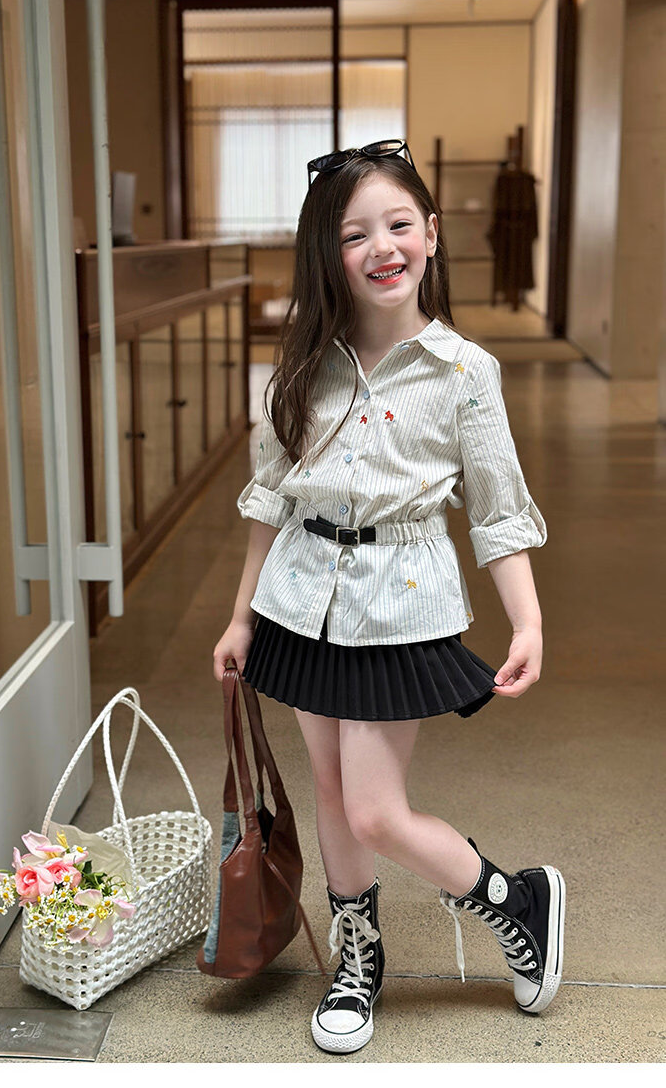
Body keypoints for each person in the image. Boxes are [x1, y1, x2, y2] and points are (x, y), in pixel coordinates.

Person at [212, 139, 565, 1055]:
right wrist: (242, 615)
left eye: (398, 224)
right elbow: (269, 500)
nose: (381, 247)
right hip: (301, 600)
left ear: (431, 234)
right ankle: (357, 954)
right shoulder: (299, 369)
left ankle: (514, 898)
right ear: (326, 255)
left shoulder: (463, 372)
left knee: (375, 808)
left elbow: (498, 507)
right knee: (332, 792)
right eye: (353, 233)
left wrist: (526, 620)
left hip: (399, 602)